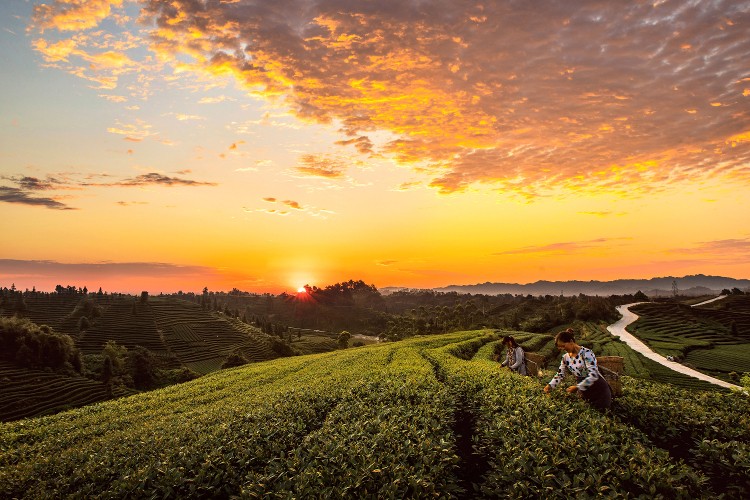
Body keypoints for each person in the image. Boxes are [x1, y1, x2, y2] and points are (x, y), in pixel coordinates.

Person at [543, 328, 611, 411]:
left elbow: (594, 375)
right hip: (585, 391)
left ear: (571, 341)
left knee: (602, 414)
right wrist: (550, 385)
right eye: (560, 347)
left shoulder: (587, 353)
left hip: (598, 389)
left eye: (563, 346)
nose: (563, 349)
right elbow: (560, 374)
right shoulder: (565, 358)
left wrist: (577, 387)